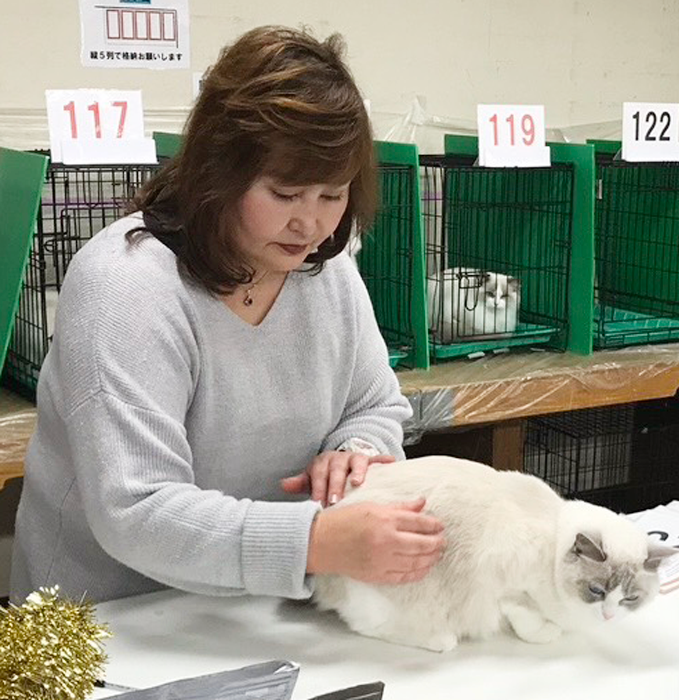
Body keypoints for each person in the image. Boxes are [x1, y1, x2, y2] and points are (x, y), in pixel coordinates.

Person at [11, 26, 445, 604]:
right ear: (218, 173)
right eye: (285, 194)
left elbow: (373, 404)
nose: (311, 224)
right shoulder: (128, 285)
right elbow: (136, 509)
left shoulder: (326, 271)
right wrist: (314, 542)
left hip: (256, 604)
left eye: (333, 195)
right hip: (106, 616)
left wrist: (356, 452)